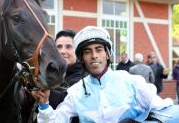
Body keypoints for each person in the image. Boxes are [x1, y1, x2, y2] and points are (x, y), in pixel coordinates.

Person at [31, 26, 179, 123]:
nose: (94, 55)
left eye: (99, 49)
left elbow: (170, 113)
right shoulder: (75, 92)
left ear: (108, 54)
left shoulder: (132, 82)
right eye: (88, 52)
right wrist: (44, 105)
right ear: (82, 58)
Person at [49, 29, 83, 110]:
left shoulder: (83, 77)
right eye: (59, 47)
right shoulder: (51, 72)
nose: (63, 51)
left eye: (68, 47)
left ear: (77, 51)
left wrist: (39, 86)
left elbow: (64, 102)